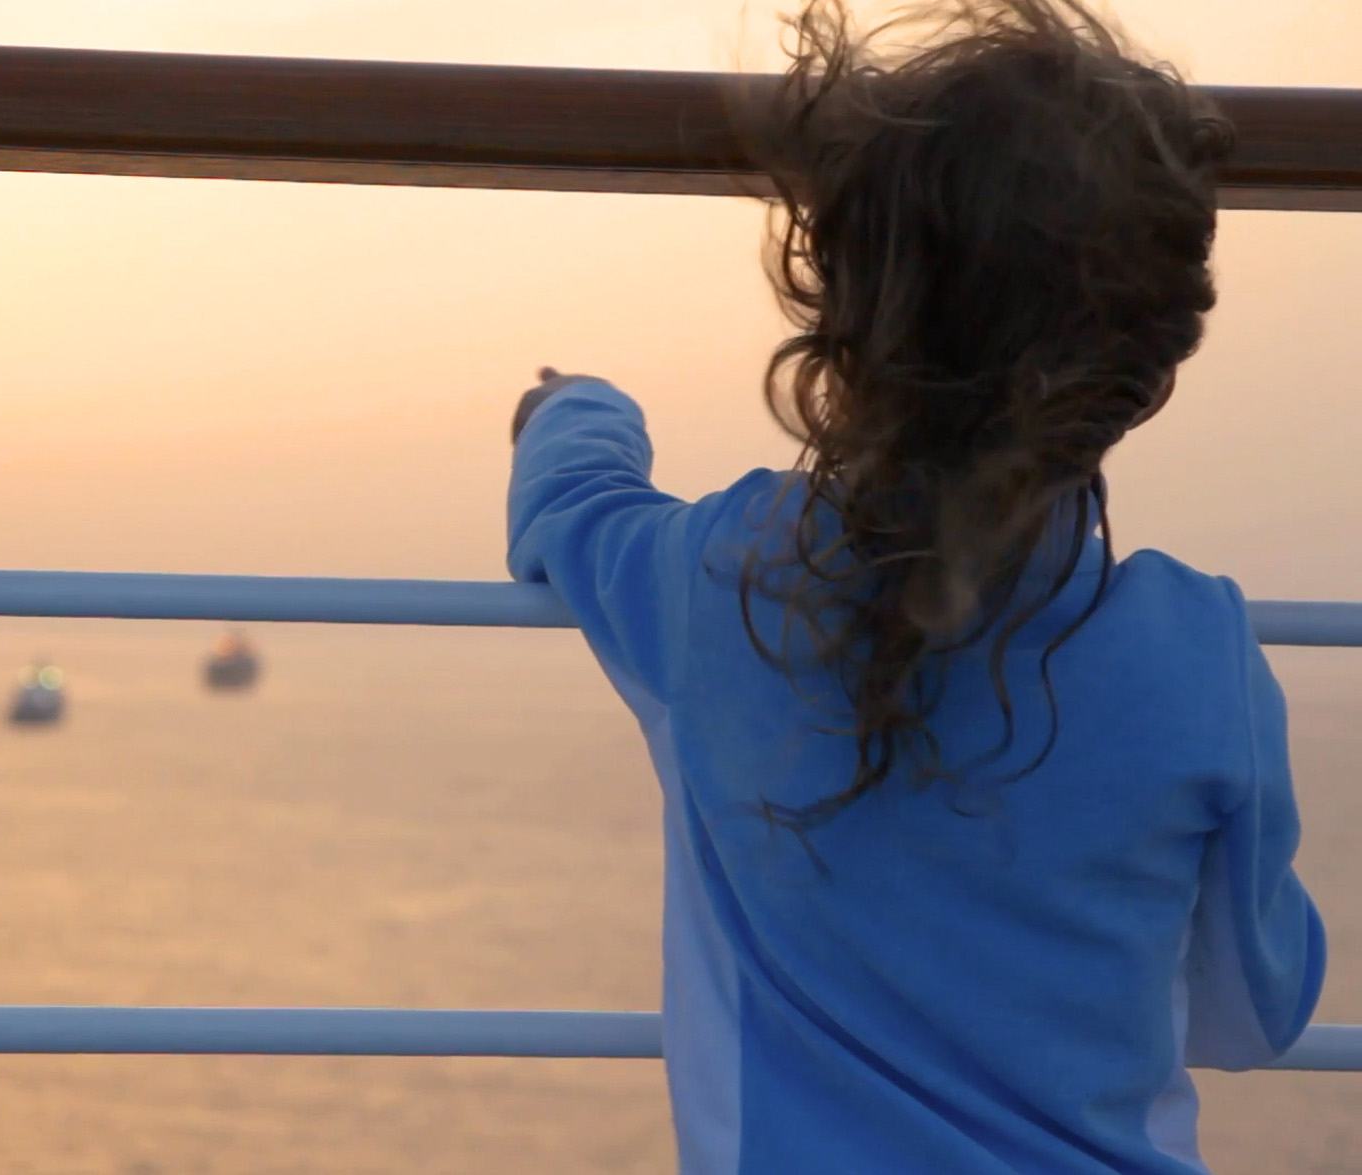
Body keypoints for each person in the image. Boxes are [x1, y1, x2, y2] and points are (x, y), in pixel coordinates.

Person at [505, 2, 1324, 1171]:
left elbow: (572, 511)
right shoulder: (1198, 655)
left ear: (845, 310)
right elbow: (1255, 1012)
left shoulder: (722, 585)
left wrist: (574, 408)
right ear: (1147, 369)